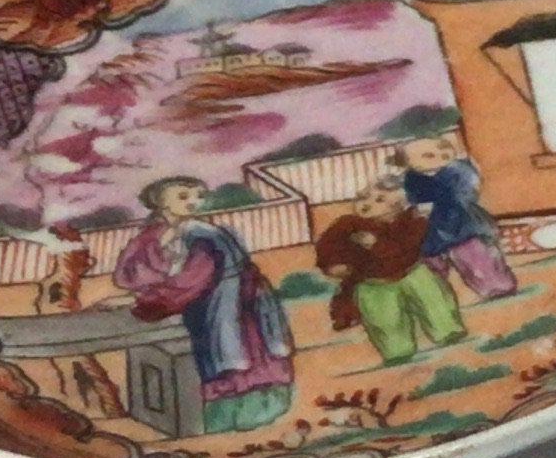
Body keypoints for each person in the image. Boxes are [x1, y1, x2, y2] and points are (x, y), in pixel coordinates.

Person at [114, 176, 294, 433]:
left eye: (197, 196)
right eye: (183, 196)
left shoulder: (205, 236)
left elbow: (191, 281)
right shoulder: (149, 237)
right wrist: (145, 288)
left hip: (229, 307)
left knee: (238, 361)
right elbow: (127, 273)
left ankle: (238, 420)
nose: (193, 202)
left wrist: (144, 301)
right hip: (193, 307)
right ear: (159, 201)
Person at [312, 179, 465, 367]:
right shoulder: (347, 224)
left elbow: (405, 250)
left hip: (412, 272)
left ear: (399, 206)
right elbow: (328, 245)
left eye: (380, 200)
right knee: (385, 319)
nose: (367, 203)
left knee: (435, 301)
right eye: (363, 197)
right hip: (372, 283)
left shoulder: (413, 223)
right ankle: (397, 350)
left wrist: (376, 245)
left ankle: (447, 330)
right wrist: (333, 264)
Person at [397, 131, 518, 302]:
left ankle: (496, 287)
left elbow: (467, 193)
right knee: (431, 264)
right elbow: (409, 199)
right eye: (429, 155)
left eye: (445, 152)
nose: (440, 157)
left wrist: (439, 201)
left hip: (463, 223)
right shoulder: (411, 178)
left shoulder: (458, 170)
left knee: (476, 257)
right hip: (430, 230)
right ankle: (435, 297)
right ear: (408, 162)